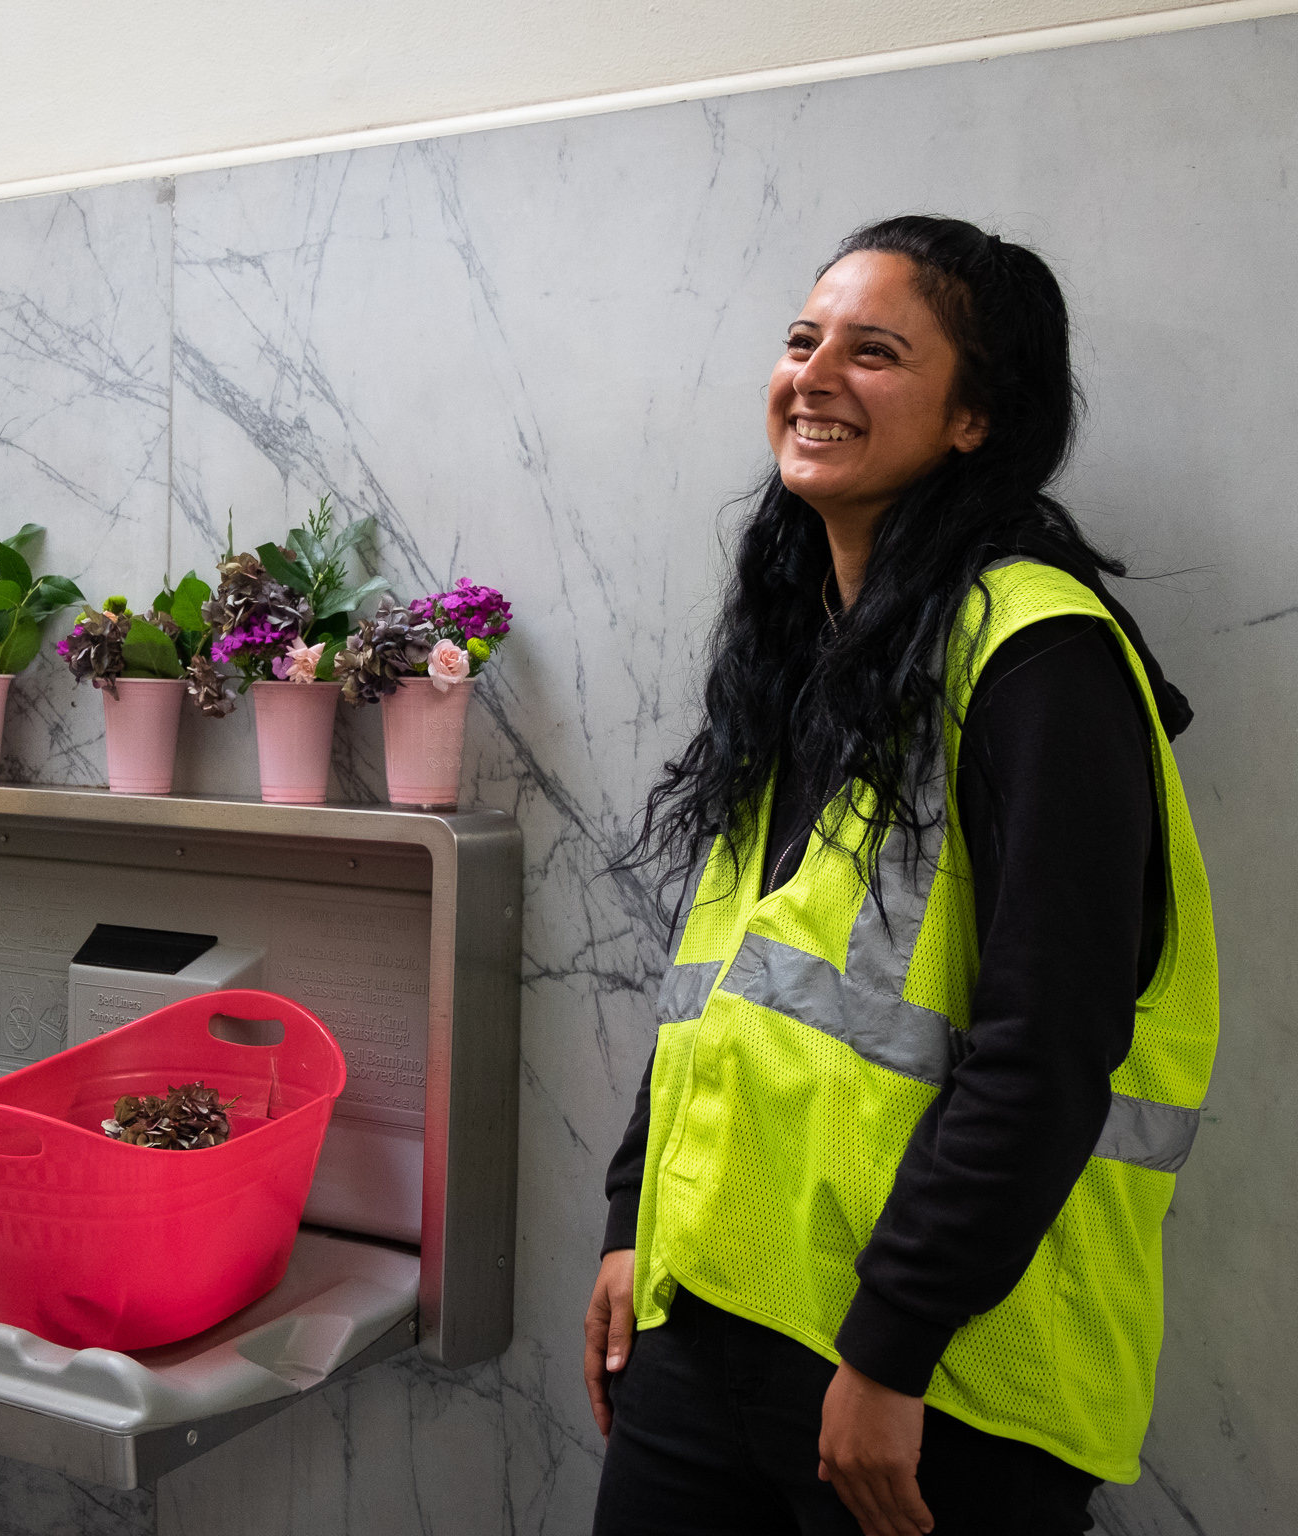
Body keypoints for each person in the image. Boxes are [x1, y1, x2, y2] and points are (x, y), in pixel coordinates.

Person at [582, 217, 1218, 1536]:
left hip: (931, 1385)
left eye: (873, 353)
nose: (813, 376)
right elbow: (721, 983)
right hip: (711, 1323)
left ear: (975, 416)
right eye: (801, 340)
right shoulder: (811, 648)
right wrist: (633, 1220)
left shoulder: (1040, 658)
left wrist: (889, 1351)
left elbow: (1046, 1048)